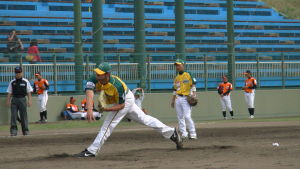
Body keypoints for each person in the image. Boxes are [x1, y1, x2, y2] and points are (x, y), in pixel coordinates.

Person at [74, 62, 183, 158]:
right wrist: (89, 109)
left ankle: (92, 151)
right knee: (144, 119)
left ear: (107, 74)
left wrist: (107, 109)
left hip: (125, 100)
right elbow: (89, 91)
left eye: (100, 74)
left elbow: (121, 106)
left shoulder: (117, 85)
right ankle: (171, 132)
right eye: (97, 73)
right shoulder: (94, 78)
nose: (97, 76)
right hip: (125, 97)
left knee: (108, 125)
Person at [171, 59, 198, 140]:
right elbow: (175, 90)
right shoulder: (176, 78)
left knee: (187, 116)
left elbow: (193, 85)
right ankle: (184, 133)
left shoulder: (188, 74)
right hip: (178, 98)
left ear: (182, 65)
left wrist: (194, 95)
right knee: (180, 117)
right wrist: (172, 100)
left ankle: (193, 133)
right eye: (176, 65)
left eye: (178, 65)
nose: (177, 67)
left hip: (186, 98)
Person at [6, 67, 33, 136]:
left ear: (22, 73)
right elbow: (9, 92)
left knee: (23, 116)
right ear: (15, 73)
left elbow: (29, 92)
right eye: (16, 72)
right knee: (13, 116)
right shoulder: (12, 82)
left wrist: (29, 100)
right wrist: (8, 101)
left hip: (22, 99)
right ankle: (13, 131)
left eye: (19, 72)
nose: (18, 74)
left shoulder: (25, 81)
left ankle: (25, 130)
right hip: (14, 100)